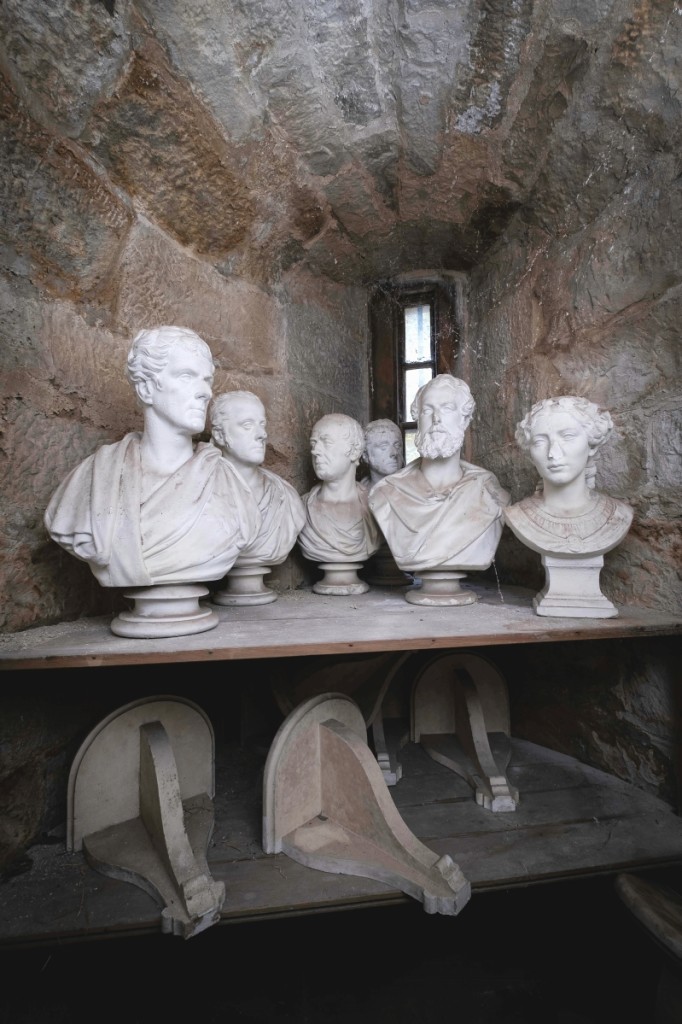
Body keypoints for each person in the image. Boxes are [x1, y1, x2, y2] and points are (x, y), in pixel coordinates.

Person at [44, 325, 261, 587]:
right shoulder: (96, 477)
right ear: (146, 388)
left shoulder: (229, 484)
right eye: (186, 376)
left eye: (207, 380)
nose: (206, 392)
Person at [368, 374, 510, 572]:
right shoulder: (386, 493)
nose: (436, 418)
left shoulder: (489, 493)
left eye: (447, 408)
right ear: (418, 419)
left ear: (465, 419)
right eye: (428, 410)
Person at [504, 395, 633, 556]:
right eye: (540, 442)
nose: (553, 453)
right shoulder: (518, 516)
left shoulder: (619, 515)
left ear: (591, 444)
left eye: (568, 437)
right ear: (530, 454)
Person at [209, 390, 305, 567]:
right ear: (220, 435)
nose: (262, 434)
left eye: (262, 424)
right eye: (247, 425)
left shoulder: (286, 496)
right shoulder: (203, 490)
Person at [298, 413, 381, 564]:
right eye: (313, 444)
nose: (315, 451)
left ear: (355, 451)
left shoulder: (378, 506)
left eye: (326, 442)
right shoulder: (299, 508)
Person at [361, 418, 404, 489]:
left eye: (397, 446)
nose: (394, 453)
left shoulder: (415, 491)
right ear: (365, 456)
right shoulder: (356, 493)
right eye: (383, 447)